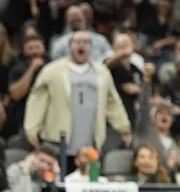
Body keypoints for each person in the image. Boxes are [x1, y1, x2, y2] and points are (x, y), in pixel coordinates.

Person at [24, 31, 132, 163]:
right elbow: (37, 100)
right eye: (77, 42)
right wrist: (32, 128)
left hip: (90, 141)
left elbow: (112, 102)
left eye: (86, 42)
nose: (82, 45)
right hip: (58, 141)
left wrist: (124, 127)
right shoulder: (51, 70)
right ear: (70, 46)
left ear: (91, 47)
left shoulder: (102, 72)